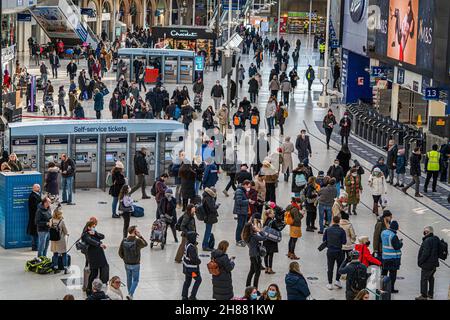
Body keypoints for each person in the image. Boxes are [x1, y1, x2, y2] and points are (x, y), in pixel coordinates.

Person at [118, 225, 148, 300]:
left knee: (129, 279)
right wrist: (140, 236)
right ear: (135, 232)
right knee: (135, 280)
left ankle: (130, 295)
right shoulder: (137, 241)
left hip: (127, 263)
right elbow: (145, 244)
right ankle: (130, 294)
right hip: (135, 264)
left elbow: (120, 252)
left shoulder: (124, 240)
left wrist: (124, 259)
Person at [83, 219, 109, 295]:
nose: (94, 228)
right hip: (93, 256)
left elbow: (102, 236)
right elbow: (90, 241)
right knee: (94, 273)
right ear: (88, 227)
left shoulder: (94, 233)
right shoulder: (85, 234)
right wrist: (99, 244)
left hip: (99, 255)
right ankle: (89, 288)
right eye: (93, 226)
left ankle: (97, 287)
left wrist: (95, 233)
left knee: (101, 272)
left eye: (95, 226)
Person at [416, 226, 441, 300]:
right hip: (434, 264)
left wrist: (420, 261)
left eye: (424, 232)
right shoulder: (436, 239)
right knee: (431, 278)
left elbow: (425, 254)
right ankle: (430, 293)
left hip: (427, 264)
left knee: (424, 279)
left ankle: (424, 296)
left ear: (427, 232)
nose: (424, 233)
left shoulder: (427, 241)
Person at [323, 215, 346, 290]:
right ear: (339, 221)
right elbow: (344, 242)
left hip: (330, 251)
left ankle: (329, 283)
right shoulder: (342, 230)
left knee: (330, 267)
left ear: (333, 221)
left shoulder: (328, 229)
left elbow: (324, 240)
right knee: (339, 266)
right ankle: (337, 280)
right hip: (339, 251)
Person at [242, 222, 266, 289]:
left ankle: (248, 286)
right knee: (257, 273)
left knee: (251, 271)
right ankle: (255, 289)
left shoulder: (246, 235)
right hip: (256, 256)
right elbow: (264, 237)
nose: (254, 226)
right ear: (251, 228)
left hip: (251, 255)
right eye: (253, 226)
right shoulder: (253, 236)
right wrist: (259, 230)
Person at [182, 231, 202, 300]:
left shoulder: (187, 244)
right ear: (192, 238)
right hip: (192, 271)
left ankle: (184, 296)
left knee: (187, 282)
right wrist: (199, 261)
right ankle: (192, 296)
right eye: (195, 238)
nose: (196, 239)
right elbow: (194, 259)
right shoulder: (191, 248)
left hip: (186, 268)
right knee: (198, 280)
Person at [49, 208, 69, 273]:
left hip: (53, 240)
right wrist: (67, 233)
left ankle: (55, 267)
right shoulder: (62, 221)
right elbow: (65, 231)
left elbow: (49, 228)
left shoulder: (51, 220)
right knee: (64, 254)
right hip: (61, 240)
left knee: (55, 254)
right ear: (59, 214)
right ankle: (65, 268)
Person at [234, 180, 250, 247]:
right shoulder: (239, 191)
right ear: (245, 185)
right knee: (240, 226)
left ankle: (241, 239)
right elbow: (239, 201)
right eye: (248, 186)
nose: (249, 187)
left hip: (243, 211)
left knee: (242, 226)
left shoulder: (243, 190)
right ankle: (238, 240)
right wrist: (248, 201)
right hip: (240, 212)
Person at [262, 209, 279, 274]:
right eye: (273, 213)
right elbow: (277, 229)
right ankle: (270, 269)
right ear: (269, 214)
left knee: (266, 255)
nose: (274, 214)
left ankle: (266, 268)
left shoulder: (265, 221)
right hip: (271, 240)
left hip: (266, 240)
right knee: (271, 255)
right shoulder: (273, 222)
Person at [201, 187, 219, 251]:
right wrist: (217, 206)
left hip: (208, 216)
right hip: (209, 217)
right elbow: (212, 208)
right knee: (208, 232)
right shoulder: (208, 198)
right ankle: (205, 246)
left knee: (208, 231)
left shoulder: (206, 196)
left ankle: (206, 245)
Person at [28, 184, 41, 251]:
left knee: (35, 232)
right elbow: (36, 207)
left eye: (39, 187)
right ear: (34, 188)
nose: (39, 188)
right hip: (34, 217)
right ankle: (35, 247)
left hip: (36, 217)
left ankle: (36, 246)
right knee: (34, 233)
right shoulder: (33, 196)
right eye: (38, 187)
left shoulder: (37, 194)